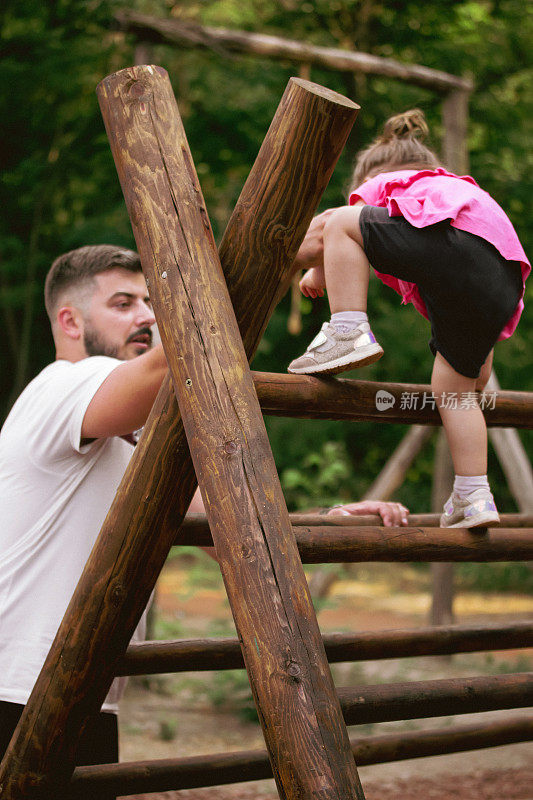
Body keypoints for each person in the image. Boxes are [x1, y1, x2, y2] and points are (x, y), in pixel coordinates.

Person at [0, 244, 409, 786]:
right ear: (69, 321)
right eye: (123, 303)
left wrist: (334, 520)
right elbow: (176, 361)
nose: (147, 315)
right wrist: (271, 260)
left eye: (150, 301)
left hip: (78, 690)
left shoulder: (134, 434)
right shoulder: (64, 386)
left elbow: (227, 532)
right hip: (18, 690)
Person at [289, 109, 530, 529]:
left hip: (464, 250)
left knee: (346, 222)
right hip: (503, 278)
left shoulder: (394, 182)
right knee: (456, 390)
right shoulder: (453, 202)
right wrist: (475, 363)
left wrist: (318, 269)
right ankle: (473, 495)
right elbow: (462, 278)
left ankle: (347, 330)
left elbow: (335, 225)